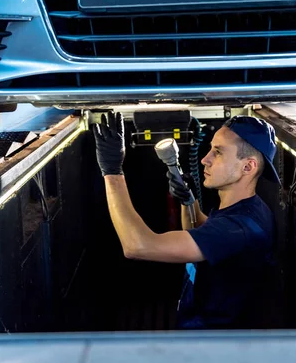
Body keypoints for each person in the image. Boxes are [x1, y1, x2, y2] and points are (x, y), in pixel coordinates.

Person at [93, 112, 280, 330]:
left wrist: (112, 172)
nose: (205, 159)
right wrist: (187, 200)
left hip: (210, 344)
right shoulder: (247, 209)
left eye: (217, 153)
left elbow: (137, 246)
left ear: (248, 167)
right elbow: (202, 232)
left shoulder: (239, 229)